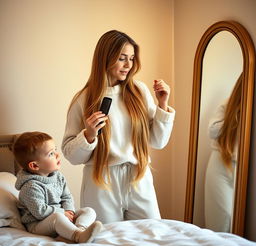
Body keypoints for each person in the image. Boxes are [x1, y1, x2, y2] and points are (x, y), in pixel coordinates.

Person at [61, 30, 175, 224]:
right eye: (122, 58)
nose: (128, 65)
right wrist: (88, 135)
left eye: (131, 58)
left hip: (139, 178)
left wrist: (162, 105)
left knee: (152, 237)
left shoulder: (139, 91)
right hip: (101, 183)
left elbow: (158, 141)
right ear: (105, 58)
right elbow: (71, 156)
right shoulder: (84, 99)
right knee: (105, 243)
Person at [13, 131, 103, 243]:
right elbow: (40, 212)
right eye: (51, 154)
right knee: (57, 218)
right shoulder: (30, 187)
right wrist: (62, 213)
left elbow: (66, 196)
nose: (57, 155)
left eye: (55, 149)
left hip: (61, 215)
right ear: (35, 165)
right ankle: (77, 236)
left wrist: (69, 211)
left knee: (89, 211)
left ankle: (80, 230)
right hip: (38, 224)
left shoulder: (58, 176)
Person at [204, 74, 242, 232]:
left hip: (244, 167)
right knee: (222, 217)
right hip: (221, 163)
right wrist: (235, 113)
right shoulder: (227, 104)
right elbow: (212, 132)